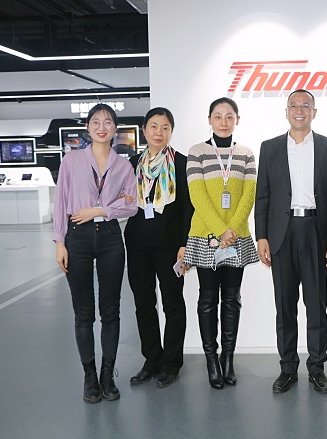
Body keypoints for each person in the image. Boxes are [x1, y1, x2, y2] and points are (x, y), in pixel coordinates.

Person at [255, 89, 327, 394]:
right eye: (293, 105)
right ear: (286, 111)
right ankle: (288, 368)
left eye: (305, 105)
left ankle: (317, 368)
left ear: (314, 112)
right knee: (284, 305)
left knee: (316, 305)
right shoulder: (270, 148)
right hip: (281, 232)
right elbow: (263, 195)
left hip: (316, 231)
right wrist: (262, 236)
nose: (299, 110)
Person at [53, 103, 137, 403]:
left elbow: (131, 204)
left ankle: (107, 374)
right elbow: (61, 201)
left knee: (110, 310)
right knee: (83, 312)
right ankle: (89, 376)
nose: (102, 127)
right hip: (77, 237)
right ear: (88, 127)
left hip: (111, 238)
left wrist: (99, 210)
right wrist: (59, 242)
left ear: (115, 128)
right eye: (96, 122)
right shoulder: (72, 161)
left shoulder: (124, 166)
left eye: (108, 122)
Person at [183, 97, 258, 389]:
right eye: (218, 116)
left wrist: (231, 230)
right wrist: (220, 230)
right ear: (209, 120)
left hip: (236, 238)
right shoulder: (197, 152)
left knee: (231, 299)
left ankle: (228, 359)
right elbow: (197, 196)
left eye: (229, 116)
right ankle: (211, 361)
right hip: (205, 236)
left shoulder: (246, 154)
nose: (223, 122)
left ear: (237, 120)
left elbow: (248, 195)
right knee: (207, 299)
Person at [124, 107, 194, 388]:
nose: (159, 132)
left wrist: (185, 244)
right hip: (137, 244)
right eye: (153, 126)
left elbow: (189, 208)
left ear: (171, 131)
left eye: (165, 127)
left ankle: (171, 363)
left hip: (170, 246)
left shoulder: (182, 164)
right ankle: (152, 359)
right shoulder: (131, 164)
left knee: (173, 304)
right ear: (144, 130)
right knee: (143, 304)